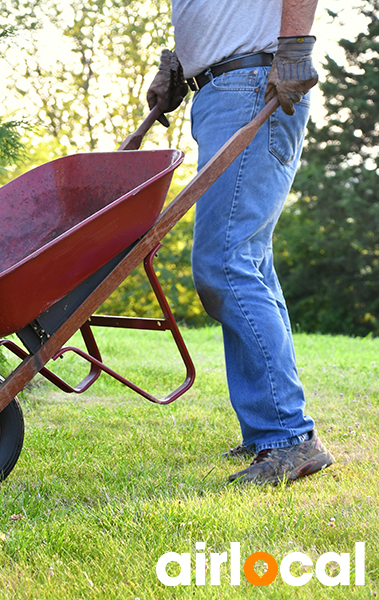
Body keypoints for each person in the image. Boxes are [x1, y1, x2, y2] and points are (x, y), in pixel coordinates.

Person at [146, 0, 334, 484]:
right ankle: (269, 431)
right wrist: (180, 63)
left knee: (225, 265)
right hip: (221, 90)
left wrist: (294, 46)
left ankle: (288, 438)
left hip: (256, 82)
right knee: (247, 262)